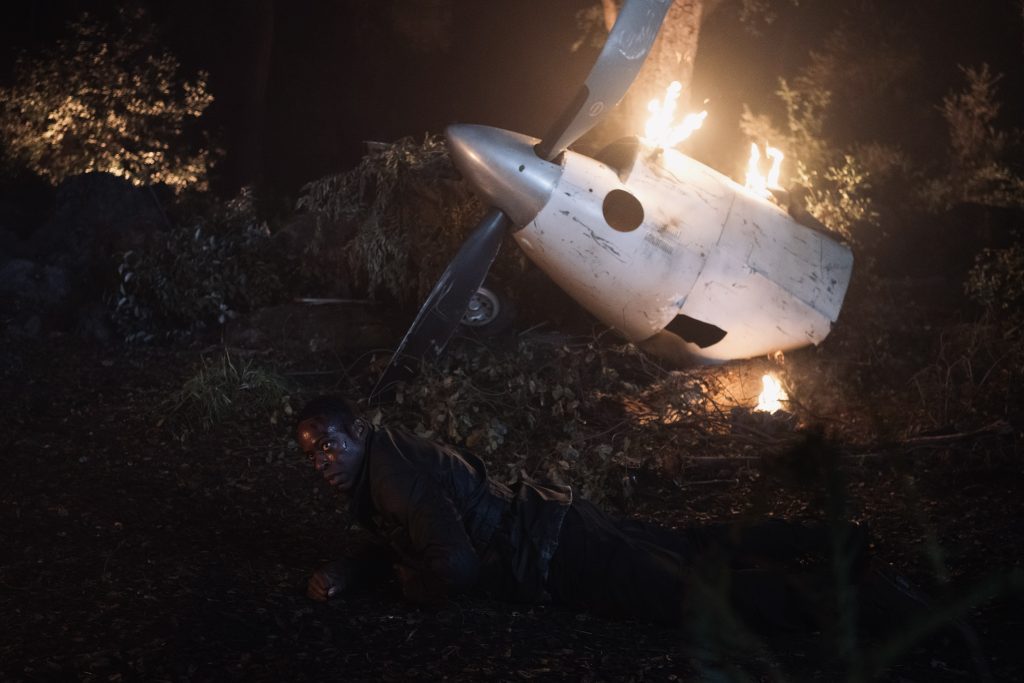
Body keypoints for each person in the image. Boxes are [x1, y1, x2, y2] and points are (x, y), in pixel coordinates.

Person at [295, 395, 869, 628]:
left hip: (558, 554)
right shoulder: (385, 455)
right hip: (558, 521)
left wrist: (411, 582)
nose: (322, 461)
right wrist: (349, 571)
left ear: (357, 431)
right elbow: (408, 533)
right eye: (312, 455)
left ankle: (866, 604)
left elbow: (456, 568)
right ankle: (832, 540)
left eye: (328, 445)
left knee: (700, 596)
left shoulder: (393, 477)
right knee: (691, 545)